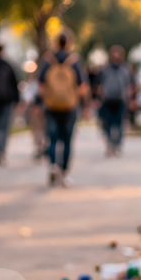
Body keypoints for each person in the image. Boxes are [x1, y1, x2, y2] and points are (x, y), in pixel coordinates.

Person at [37, 31, 89, 187]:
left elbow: (40, 84)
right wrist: (84, 105)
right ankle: (64, 172)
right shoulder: (74, 61)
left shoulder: (48, 60)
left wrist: (41, 102)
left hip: (51, 106)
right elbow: (83, 87)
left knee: (52, 138)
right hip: (69, 107)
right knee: (67, 140)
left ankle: (53, 165)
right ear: (69, 43)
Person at [96, 45, 134, 156]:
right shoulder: (104, 69)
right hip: (107, 100)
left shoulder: (126, 69)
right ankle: (110, 144)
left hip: (121, 100)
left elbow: (131, 85)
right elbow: (98, 85)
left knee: (119, 124)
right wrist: (98, 98)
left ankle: (117, 144)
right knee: (107, 123)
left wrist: (131, 99)